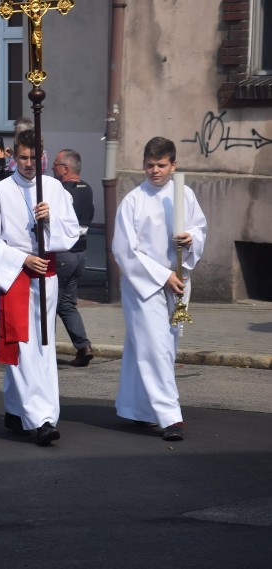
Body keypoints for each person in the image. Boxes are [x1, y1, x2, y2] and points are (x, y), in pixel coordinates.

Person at [0, 129, 80, 446]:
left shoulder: (53, 189)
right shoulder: (0, 193)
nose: (28, 163)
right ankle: (41, 420)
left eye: (34, 158)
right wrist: (21, 259)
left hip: (46, 280)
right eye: (22, 157)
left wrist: (49, 221)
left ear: (43, 157)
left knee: (43, 349)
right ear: (13, 157)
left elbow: (72, 232)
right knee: (22, 347)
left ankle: (16, 410)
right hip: (16, 279)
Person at [112, 137, 207, 441]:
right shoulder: (133, 201)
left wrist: (191, 239)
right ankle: (170, 416)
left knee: (160, 346)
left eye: (162, 165)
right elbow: (124, 250)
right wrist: (162, 274)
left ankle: (137, 408)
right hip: (145, 285)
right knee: (156, 347)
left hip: (179, 281)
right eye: (150, 165)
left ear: (173, 165)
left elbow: (199, 228)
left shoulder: (185, 195)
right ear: (143, 165)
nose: (155, 171)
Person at [51, 148, 95, 366]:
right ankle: (83, 346)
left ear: (66, 169)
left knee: (49, 303)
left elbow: (53, 219)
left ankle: (43, 351)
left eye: (55, 165)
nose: (52, 168)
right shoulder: (87, 189)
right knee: (67, 304)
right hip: (81, 254)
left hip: (63, 254)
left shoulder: (62, 192)